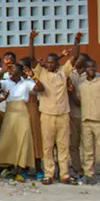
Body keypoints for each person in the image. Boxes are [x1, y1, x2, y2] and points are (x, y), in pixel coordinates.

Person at [30, 30, 73, 185]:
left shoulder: (63, 73)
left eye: (52, 62)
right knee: (47, 147)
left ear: (57, 63)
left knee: (63, 146)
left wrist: (76, 42)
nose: (49, 64)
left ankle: (64, 174)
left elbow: (74, 58)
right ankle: (49, 174)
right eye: (47, 62)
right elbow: (32, 60)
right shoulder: (41, 73)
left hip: (63, 114)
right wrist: (31, 40)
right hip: (47, 115)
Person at [73, 56, 100, 188]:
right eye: (88, 67)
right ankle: (89, 174)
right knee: (88, 150)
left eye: (93, 67)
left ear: (96, 69)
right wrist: (70, 91)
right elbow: (78, 101)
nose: (91, 69)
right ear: (85, 69)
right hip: (86, 121)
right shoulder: (82, 86)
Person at [0, 63, 37, 180]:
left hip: (22, 112)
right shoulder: (6, 82)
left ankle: (20, 170)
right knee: (7, 139)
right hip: (10, 111)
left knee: (22, 139)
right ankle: (6, 166)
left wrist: (32, 76)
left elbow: (40, 88)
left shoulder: (27, 83)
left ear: (20, 72)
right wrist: (2, 71)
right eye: (10, 70)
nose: (11, 72)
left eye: (13, 70)